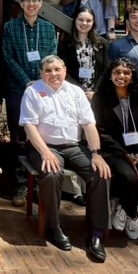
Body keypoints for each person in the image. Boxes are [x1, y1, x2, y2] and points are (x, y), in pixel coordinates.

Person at [21, 55, 111, 263]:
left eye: (57, 70)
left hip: (74, 146)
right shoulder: (33, 92)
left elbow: (89, 125)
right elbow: (29, 127)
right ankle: (54, 225)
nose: (53, 74)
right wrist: (45, 152)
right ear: (41, 73)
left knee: (101, 174)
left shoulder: (76, 92)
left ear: (65, 70)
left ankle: (97, 233)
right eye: (48, 71)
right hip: (43, 146)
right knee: (52, 175)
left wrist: (96, 153)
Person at [91, 58, 138, 241]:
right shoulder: (101, 97)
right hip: (113, 149)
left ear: (132, 77)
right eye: (117, 72)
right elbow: (99, 130)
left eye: (126, 73)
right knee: (128, 176)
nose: (121, 76)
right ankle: (133, 215)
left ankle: (126, 207)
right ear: (110, 75)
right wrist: (124, 154)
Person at [3, 0, 58, 206]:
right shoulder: (10, 27)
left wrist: (40, 82)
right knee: (19, 136)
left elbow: (52, 57)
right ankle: (21, 185)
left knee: (41, 133)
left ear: (41, 4)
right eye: (27, 0)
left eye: (35, 1)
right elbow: (8, 57)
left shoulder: (49, 28)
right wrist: (27, 81)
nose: (31, 4)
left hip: (43, 90)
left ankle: (38, 184)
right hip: (18, 88)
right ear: (21, 3)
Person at [59, 7, 109, 100]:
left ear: (93, 23)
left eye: (88, 20)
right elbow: (63, 71)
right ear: (75, 21)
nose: (84, 23)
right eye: (81, 20)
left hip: (95, 96)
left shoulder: (101, 45)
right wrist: (80, 91)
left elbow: (105, 71)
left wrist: (95, 92)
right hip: (72, 95)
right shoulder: (65, 45)